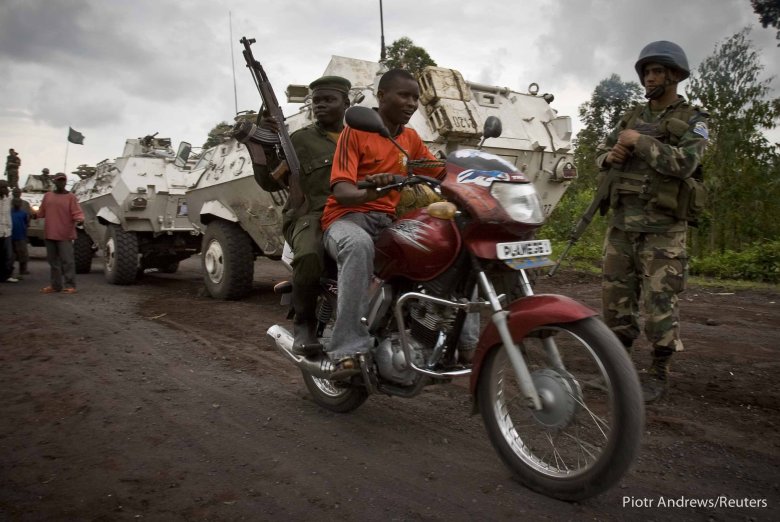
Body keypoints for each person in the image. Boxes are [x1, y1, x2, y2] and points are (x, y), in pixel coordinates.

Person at [596, 41, 709, 403]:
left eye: (657, 71)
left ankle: (658, 374)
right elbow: (603, 152)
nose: (649, 78)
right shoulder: (630, 117)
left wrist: (639, 143)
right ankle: (617, 371)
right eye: (646, 72)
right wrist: (608, 156)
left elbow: (685, 164)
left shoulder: (694, 120)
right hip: (621, 226)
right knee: (615, 302)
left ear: (675, 75)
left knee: (661, 304)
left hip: (663, 230)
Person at [320, 68, 447, 379]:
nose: (412, 103)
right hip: (346, 220)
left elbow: (438, 172)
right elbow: (343, 192)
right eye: (404, 95)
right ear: (381, 96)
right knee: (358, 245)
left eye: (416, 97)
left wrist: (474, 172)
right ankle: (347, 349)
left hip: (387, 221)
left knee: (438, 243)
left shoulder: (410, 138)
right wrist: (376, 188)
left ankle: (442, 337)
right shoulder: (357, 131)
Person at [253, 75, 352, 355]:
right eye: (316, 100)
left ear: (346, 103)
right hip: (310, 215)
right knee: (309, 255)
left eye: (328, 100)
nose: (320, 105)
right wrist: (263, 145)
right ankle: (304, 324)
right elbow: (271, 182)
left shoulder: (357, 138)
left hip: (353, 211)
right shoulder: (300, 139)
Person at [36, 173, 85, 294]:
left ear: (65, 182)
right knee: (53, 262)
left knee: (67, 261)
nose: (61, 182)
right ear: (54, 182)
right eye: (59, 180)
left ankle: (70, 285)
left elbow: (77, 212)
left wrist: (79, 219)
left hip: (65, 234)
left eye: (63, 180)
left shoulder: (71, 197)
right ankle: (55, 285)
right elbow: (41, 212)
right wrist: (31, 215)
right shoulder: (47, 196)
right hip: (49, 233)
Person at [0, 180, 18, 283]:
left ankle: (5, 277)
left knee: (7, 257)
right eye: (3, 187)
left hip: (6, 233)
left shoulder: (8, 199)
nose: (5, 189)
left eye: (6, 187)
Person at [10, 195, 30, 277]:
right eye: (15, 202)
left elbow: (26, 223)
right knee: (11, 255)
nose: (17, 204)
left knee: (23, 254)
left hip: (21, 236)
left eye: (19, 202)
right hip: (11, 236)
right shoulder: (9, 212)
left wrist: (26, 235)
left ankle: (23, 270)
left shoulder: (23, 213)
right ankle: (9, 271)